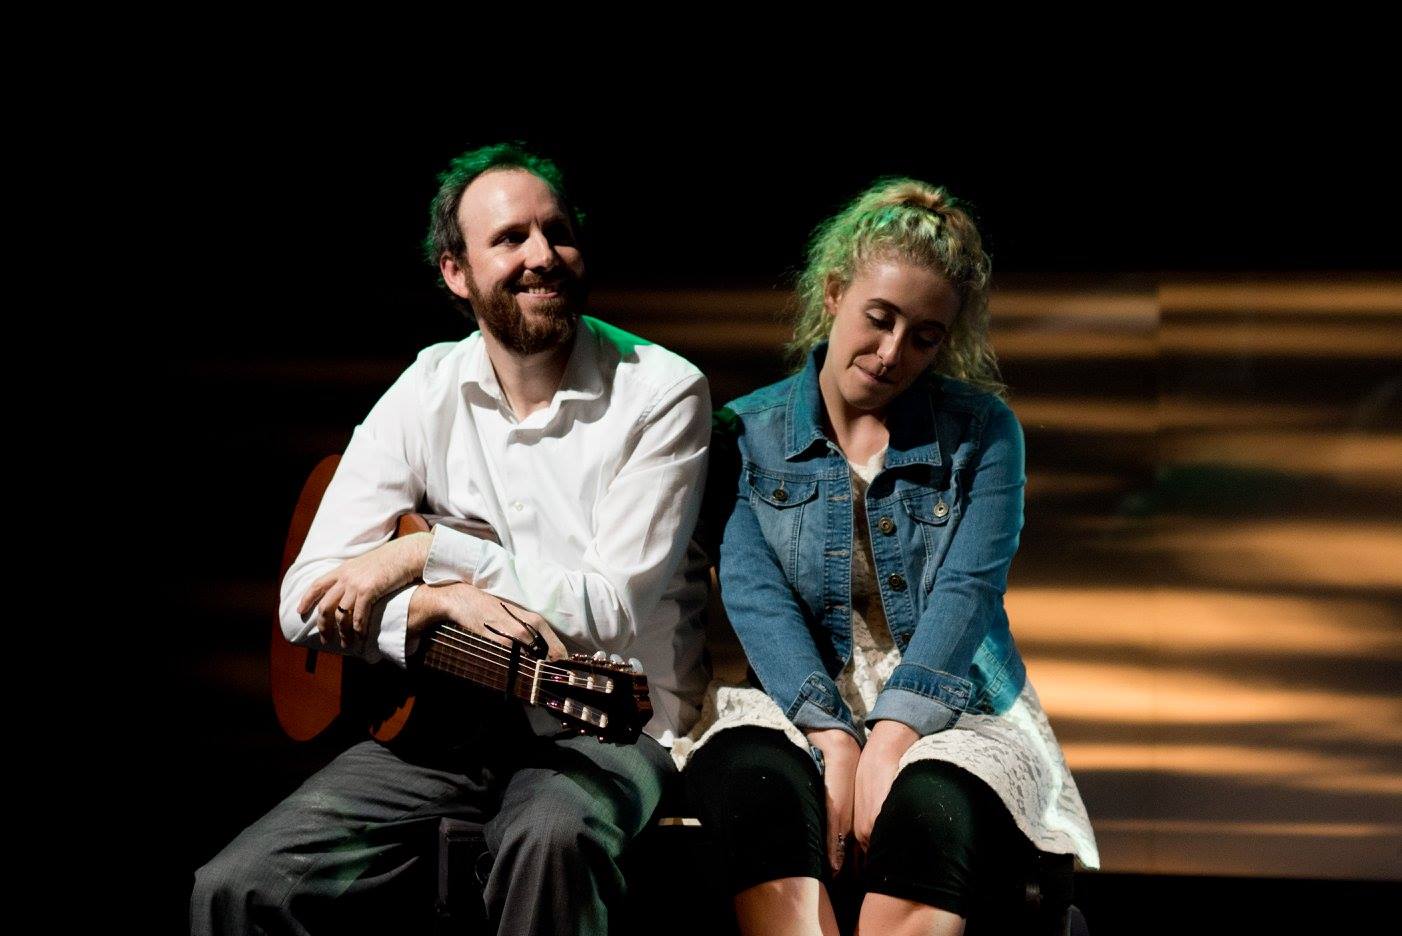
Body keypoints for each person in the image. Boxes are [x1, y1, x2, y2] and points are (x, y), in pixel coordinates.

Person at [191, 143, 712, 936]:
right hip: (446, 731)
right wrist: (434, 608)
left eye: (558, 232)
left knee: (549, 838)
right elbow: (304, 602)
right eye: (510, 239)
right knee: (238, 886)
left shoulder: (662, 391)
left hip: (609, 723)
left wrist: (426, 554)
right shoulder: (427, 387)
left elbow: (604, 613)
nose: (543, 255)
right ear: (456, 273)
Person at [674, 178, 1098, 936]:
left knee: (930, 815)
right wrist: (835, 735)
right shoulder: (747, 431)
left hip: (955, 702)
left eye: (925, 337)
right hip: (795, 693)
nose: (893, 352)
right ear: (835, 292)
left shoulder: (984, 433)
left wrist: (892, 737)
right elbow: (755, 595)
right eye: (880, 319)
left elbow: (967, 593)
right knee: (759, 794)